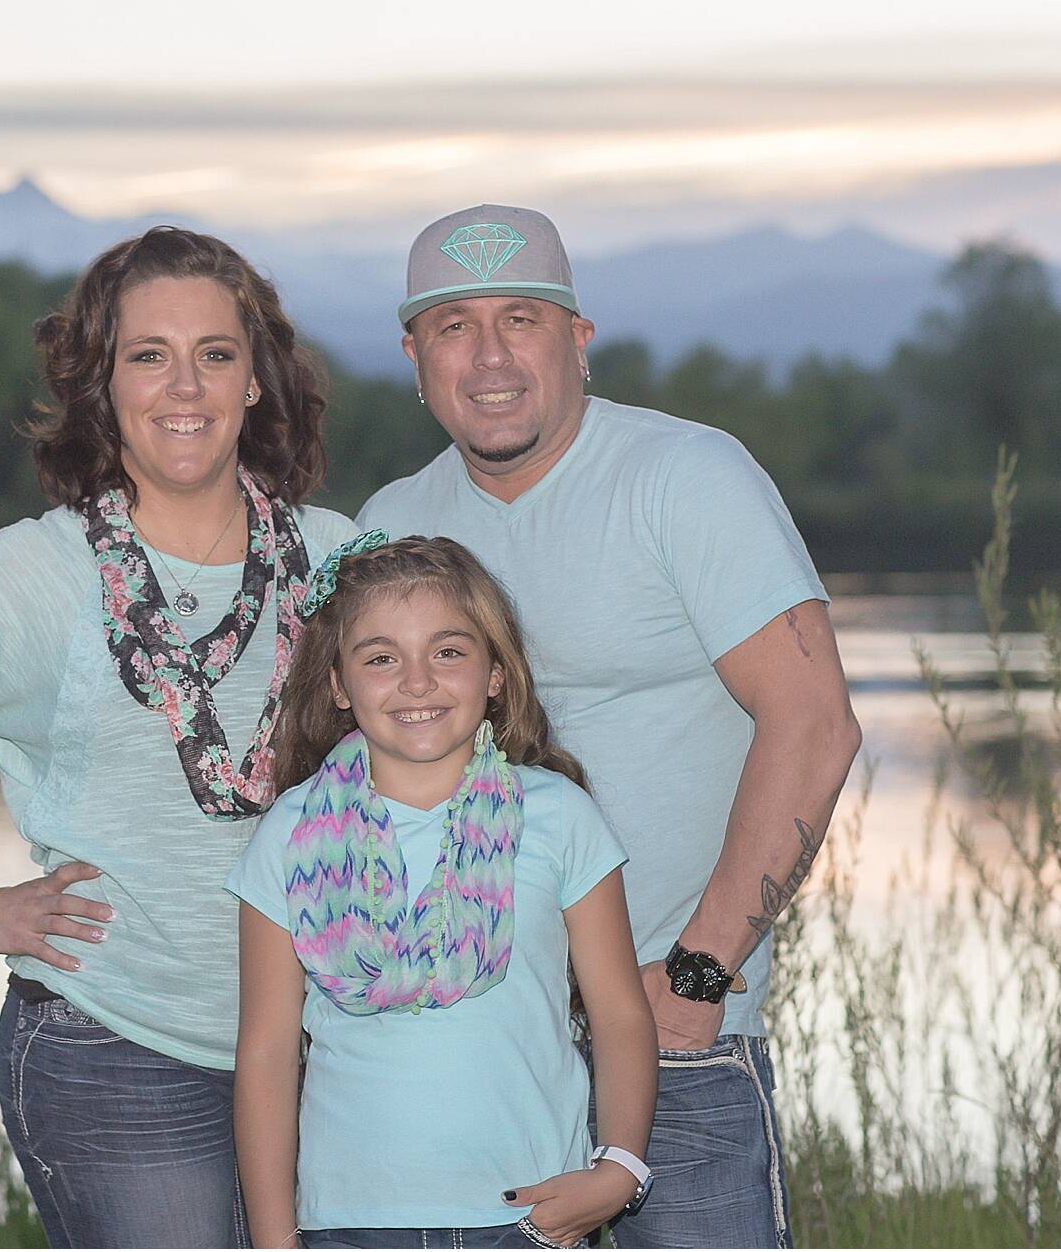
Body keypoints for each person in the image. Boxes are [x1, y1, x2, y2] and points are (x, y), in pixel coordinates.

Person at [0, 227, 359, 1249]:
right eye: (147, 355)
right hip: (116, 1050)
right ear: (100, 388)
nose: (182, 386)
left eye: (215, 354)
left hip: (322, 1044)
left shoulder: (333, 559)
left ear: (255, 384)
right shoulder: (32, 574)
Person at [358, 206, 862, 1248]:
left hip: (675, 1042)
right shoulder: (388, 528)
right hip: (469, 1059)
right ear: (413, 358)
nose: (489, 355)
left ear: (576, 339)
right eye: (451, 325)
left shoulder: (684, 479)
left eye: (522, 319)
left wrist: (696, 976)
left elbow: (813, 724)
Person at [228, 534, 659, 1250]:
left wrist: (618, 1169)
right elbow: (268, 1052)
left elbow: (619, 1014)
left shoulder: (558, 816)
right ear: (339, 684)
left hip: (530, 1217)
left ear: (495, 671)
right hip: (349, 1224)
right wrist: (275, 1242)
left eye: (449, 651)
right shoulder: (290, 834)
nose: (418, 681)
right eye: (380, 658)